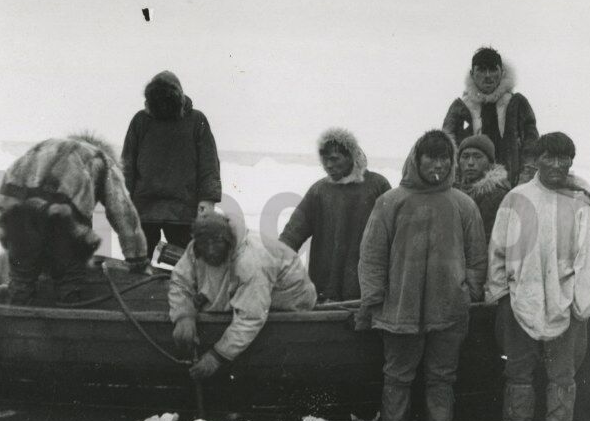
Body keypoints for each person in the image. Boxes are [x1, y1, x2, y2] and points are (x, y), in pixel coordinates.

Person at [486, 131, 590, 421]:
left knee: (562, 376)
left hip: (566, 303)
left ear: (571, 161)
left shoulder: (582, 203)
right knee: (518, 374)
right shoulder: (516, 198)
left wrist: (581, 302)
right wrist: (500, 294)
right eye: (549, 157)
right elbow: (498, 249)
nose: (556, 165)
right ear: (536, 161)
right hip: (519, 301)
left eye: (563, 158)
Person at [354, 130, 488, 421]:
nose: (437, 166)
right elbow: (372, 256)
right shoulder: (390, 202)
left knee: (442, 378)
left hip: (449, 310)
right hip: (399, 310)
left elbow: (477, 258)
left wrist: (468, 292)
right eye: (431, 159)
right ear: (417, 159)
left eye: (444, 159)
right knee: (397, 378)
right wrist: (373, 300)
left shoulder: (463, 205)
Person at [0, 133, 150, 305]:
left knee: (21, 282)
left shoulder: (43, 146)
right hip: (61, 218)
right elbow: (123, 212)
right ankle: (68, 316)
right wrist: (137, 258)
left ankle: (16, 321)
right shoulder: (102, 160)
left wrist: (7, 226)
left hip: (16, 215)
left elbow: (9, 183)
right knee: (70, 280)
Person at [169, 211, 317, 381]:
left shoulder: (251, 260)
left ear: (227, 240)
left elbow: (251, 317)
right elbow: (180, 281)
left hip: (291, 296)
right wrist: (183, 316)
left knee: (251, 310)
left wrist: (217, 356)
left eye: (216, 242)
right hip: (251, 291)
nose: (210, 250)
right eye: (204, 244)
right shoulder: (196, 247)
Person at [278, 127, 392, 302]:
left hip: (366, 285)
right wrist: (273, 264)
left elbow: (394, 234)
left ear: (351, 156)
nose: (328, 165)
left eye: (334, 159)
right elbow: (292, 233)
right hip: (326, 283)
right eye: (324, 160)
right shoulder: (319, 191)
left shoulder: (377, 185)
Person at [122, 70, 223, 256]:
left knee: (189, 266)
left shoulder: (196, 120)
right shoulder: (140, 120)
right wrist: (123, 200)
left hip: (182, 211)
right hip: (145, 209)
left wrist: (208, 200)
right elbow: (127, 165)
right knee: (137, 263)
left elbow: (208, 164)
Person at [441, 47, 539, 187]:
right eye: (481, 70)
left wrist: (524, 184)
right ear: (472, 73)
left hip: (512, 188)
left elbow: (532, 147)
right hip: (468, 189)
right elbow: (447, 149)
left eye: (493, 69)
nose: (487, 75)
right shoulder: (460, 107)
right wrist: (457, 185)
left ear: (502, 72)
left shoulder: (517, 104)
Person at [455, 133, 510, 238]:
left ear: (490, 163)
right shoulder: (453, 191)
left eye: (477, 156)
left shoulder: (498, 195)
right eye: (465, 156)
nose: (470, 163)